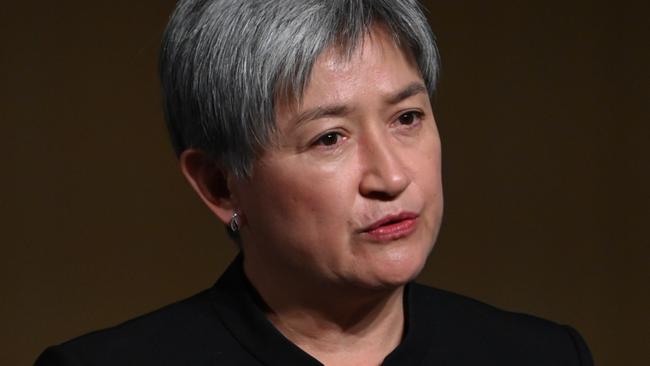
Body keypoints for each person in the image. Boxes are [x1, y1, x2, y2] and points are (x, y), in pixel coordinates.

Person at [35, 0, 593, 365]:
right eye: (330, 138)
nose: (391, 176)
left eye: (407, 118)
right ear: (219, 185)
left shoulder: (542, 355)